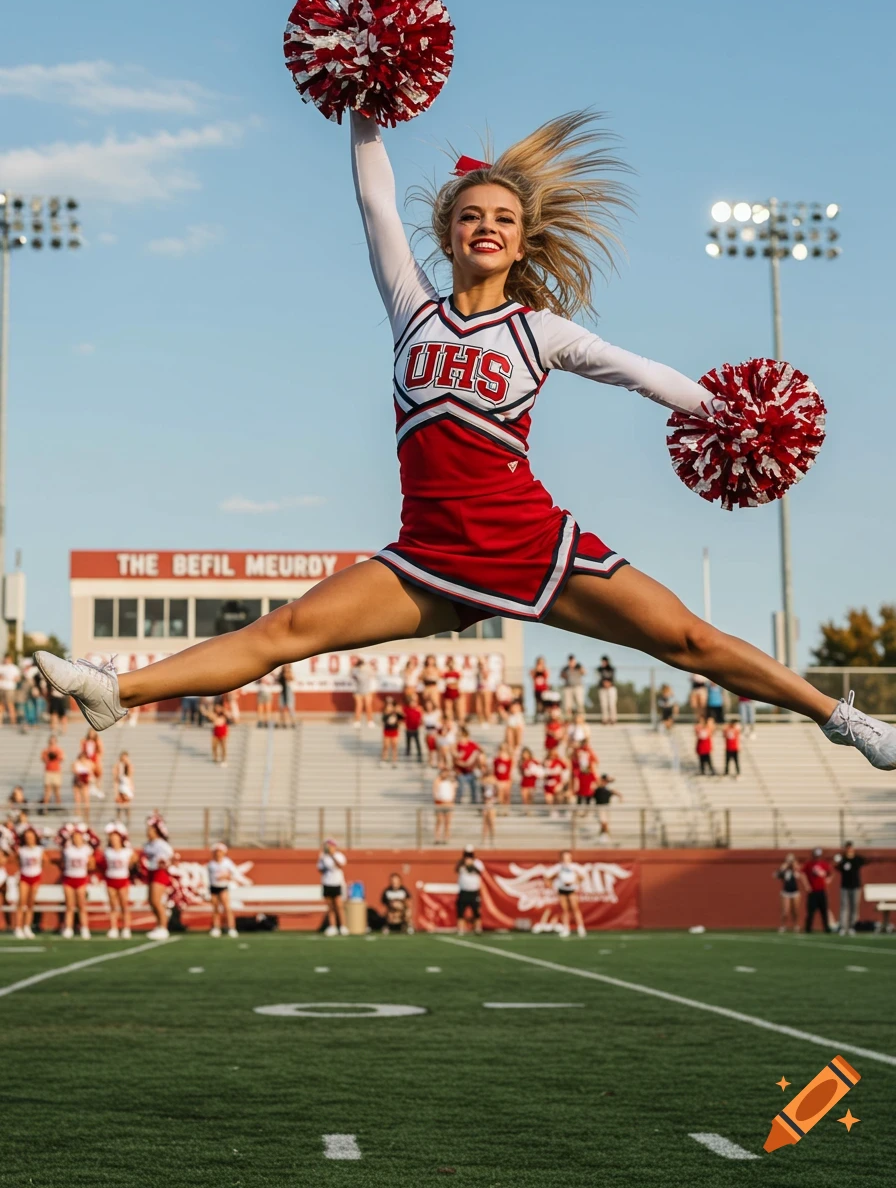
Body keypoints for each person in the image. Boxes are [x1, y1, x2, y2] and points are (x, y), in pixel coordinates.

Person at [33, 108, 896, 776]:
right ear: (449, 233)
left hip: (531, 544)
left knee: (692, 644)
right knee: (288, 629)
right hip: (430, 555)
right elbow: (374, 197)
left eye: (504, 220)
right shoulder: (412, 308)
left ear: (521, 243)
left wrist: (727, 413)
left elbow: (644, 375)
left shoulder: (541, 331)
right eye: (472, 215)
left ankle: (844, 720)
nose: (487, 226)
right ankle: (116, 688)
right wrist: (363, 96)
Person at [100, 823, 136, 939]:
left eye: (116, 838)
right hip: (111, 879)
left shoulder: (127, 851)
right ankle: (113, 928)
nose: (114, 840)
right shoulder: (107, 851)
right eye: (112, 838)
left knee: (124, 905)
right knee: (113, 906)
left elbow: (134, 860)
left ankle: (126, 928)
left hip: (122, 879)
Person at [142, 814, 174, 940]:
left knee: (156, 900)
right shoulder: (148, 844)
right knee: (151, 901)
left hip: (160, 872)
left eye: (150, 830)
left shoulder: (161, 844)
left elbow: (171, 856)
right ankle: (159, 924)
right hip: (151, 872)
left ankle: (163, 927)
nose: (148, 832)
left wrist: (165, 862)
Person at [60, 825, 95, 940]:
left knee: (81, 906)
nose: (76, 839)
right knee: (69, 906)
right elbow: (62, 863)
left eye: (78, 836)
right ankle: (68, 928)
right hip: (69, 878)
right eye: (74, 837)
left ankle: (84, 928)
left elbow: (92, 864)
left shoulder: (87, 849)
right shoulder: (67, 849)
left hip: (81, 879)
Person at [13, 826, 43, 939]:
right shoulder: (21, 850)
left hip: (35, 877)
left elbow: (44, 862)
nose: (29, 839)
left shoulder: (39, 850)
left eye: (31, 837)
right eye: (27, 837)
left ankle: (27, 927)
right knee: (21, 903)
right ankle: (18, 927)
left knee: (31, 903)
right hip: (24, 877)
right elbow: (16, 861)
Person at [548, 850, 587, 937]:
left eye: (568, 857)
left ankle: (581, 928)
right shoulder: (558, 867)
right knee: (565, 910)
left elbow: (583, 876)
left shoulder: (574, 867)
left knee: (575, 908)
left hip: (572, 889)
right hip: (562, 889)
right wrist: (553, 882)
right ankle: (566, 928)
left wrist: (576, 881)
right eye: (564, 857)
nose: (566, 859)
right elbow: (548, 876)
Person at [833, 841, 866, 936]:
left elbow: (864, 861)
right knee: (844, 907)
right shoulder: (843, 860)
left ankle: (852, 926)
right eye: (847, 848)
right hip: (845, 886)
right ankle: (843, 927)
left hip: (855, 886)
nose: (849, 850)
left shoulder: (857, 859)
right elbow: (836, 867)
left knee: (854, 907)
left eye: (850, 848)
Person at [207, 842, 239, 937]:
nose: (217, 853)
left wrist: (226, 876)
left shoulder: (227, 862)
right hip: (213, 887)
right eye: (216, 851)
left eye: (219, 851)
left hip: (223, 887)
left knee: (227, 908)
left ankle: (231, 928)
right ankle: (216, 928)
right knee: (215, 908)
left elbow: (234, 874)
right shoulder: (211, 864)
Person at [317, 838, 348, 936]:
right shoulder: (323, 856)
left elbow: (340, 865)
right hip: (327, 883)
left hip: (337, 883)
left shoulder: (339, 856)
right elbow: (320, 869)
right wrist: (322, 858)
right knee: (330, 907)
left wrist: (332, 856)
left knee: (339, 906)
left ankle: (342, 926)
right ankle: (332, 926)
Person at [800, 848, 832, 934]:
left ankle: (826, 927)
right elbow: (802, 874)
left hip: (822, 890)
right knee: (810, 911)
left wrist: (828, 881)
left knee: (824, 910)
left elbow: (830, 874)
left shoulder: (824, 864)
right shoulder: (809, 864)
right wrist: (806, 885)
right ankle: (808, 928)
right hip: (812, 891)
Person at [455, 845, 485, 935]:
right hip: (464, 891)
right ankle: (461, 929)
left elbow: (480, 872)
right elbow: (456, 869)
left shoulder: (478, 863)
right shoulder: (461, 863)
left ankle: (478, 928)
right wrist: (464, 863)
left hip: (474, 891)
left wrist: (471, 865)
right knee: (460, 911)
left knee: (476, 911)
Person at [454, 727, 485, 805]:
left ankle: (475, 803)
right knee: (460, 789)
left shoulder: (473, 745)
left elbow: (481, 753)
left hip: (472, 771)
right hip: (461, 772)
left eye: (461, 736)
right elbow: (455, 760)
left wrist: (478, 764)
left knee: (475, 788)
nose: (460, 739)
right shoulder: (457, 746)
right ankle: (458, 802)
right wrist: (464, 764)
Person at [775, 853, 801, 933]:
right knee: (785, 911)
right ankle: (783, 926)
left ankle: (796, 925)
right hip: (786, 891)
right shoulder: (784, 868)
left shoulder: (796, 868)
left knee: (795, 910)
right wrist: (783, 868)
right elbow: (777, 876)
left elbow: (799, 875)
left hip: (795, 891)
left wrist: (794, 866)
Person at [593, 773, 622, 842]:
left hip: (606, 806)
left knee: (605, 822)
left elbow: (613, 781)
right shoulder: (598, 788)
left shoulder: (606, 789)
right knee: (603, 822)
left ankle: (604, 835)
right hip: (600, 807)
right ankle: (605, 835)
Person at [432, 766, 457, 845]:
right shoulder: (438, 781)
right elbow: (435, 792)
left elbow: (453, 791)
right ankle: (437, 837)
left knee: (447, 822)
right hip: (440, 803)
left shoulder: (450, 782)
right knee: (439, 821)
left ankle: (446, 837)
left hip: (448, 803)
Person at [350, 657, 375, 728]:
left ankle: (370, 721)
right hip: (358, 691)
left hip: (366, 690)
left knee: (368, 706)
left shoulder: (367, 669)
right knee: (359, 706)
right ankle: (357, 721)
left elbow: (372, 674)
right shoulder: (355, 670)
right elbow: (356, 676)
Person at [41, 735, 65, 811]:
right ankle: (45, 808)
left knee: (57, 790)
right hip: (48, 771)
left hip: (56, 771)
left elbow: (61, 759)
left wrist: (55, 756)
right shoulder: (46, 750)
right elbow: (43, 760)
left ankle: (58, 806)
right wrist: (48, 756)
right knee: (47, 790)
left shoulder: (58, 750)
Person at [543, 747, 569, 813]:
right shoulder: (545, 762)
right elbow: (542, 772)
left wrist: (562, 782)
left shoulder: (558, 761)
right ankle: (552, 811)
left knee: (558, 797)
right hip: (548, 783)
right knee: (549, 799)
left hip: (557, 782)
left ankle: (559, 811)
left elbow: (565, 770)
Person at [381, 695, 403, 767]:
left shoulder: (396, 713)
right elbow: (384, 721)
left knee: (394, 746)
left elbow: (402, 717)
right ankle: (384, 759)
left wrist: (397, 710)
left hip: (394, 731)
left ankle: (394, 760)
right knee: (386, 746)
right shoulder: (385, 714)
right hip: (387, 731)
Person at [71, 750, 94, 818]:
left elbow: (91, 773)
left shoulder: (89, 763)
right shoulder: (76, 763)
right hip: (77, 782)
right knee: (77, 800)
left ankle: (86, 815)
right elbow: (74, 771)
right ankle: (78, 814)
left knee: (86, 799)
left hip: (85, 783)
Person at [0, 655, 21, 726]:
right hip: (1, 688)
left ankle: (13, 721)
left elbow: (18, 679)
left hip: (9, 688)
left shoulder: (14, 668)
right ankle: (0, 722)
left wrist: (13, 678)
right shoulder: (1, 667)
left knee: (10, 704)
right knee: (1, 705)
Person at [597, 655, 618, 725]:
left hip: (611, 688)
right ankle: (604, 719)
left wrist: (608, 683)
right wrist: (604, 683)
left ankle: (613, 719)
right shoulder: (599, 669)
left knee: (612, 704)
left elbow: (613, 678)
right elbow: (598, 678)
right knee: (604, 705)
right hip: (602, 688)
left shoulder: (611, 669)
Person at [493, 743, 514, 810]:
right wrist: (496, 780)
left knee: (506, 796)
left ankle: (506, 809)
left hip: (506, 780)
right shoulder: (496, 760)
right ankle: (501, 809)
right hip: (499, 780)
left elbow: (510, 771)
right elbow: (494, 770)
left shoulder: (509, 760)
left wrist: (509, 781)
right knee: (500, 796)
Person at [403, 691, 423, 762]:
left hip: (415, 729)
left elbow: (421, 719)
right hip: (408, 729)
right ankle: (408, 752)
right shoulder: (406, 709)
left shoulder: (418, 710)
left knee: (417, 741)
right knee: (408, 742)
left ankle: (419, 753)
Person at [480, 769, 498, 846]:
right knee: (485, 822)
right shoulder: (484, 779)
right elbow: (482, 785)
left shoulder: (493, 779)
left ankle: (492, 838)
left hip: (492, 802)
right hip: (485, 802)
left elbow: (496, 787)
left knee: (491, 821)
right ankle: (484, 838)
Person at [442, 655, 462, 722]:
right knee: (448, 707)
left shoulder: (456, 673)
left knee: (457, 707)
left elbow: (458, 683)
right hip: (448, 692)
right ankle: (449, 720)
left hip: (455, 692)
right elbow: (445, 683)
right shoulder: (445, 673)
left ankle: (458, 720)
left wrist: (452, 685)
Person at [519, 747, 540, 812]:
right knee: (524, 797)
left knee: (530, 797)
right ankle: (526, 810)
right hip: (524, 781)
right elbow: (521, 772)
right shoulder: (521, 762)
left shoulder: (534, 761)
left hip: (531, 782)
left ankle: (530, 810)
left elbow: (538, 770)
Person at [423, 697, 441, 767]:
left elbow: (439, 723)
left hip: (436, 733)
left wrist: (436, 733)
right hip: (428, 733)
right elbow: (424, 725)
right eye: (427, 705)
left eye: (429, 705)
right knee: (430, 749)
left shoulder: (437, 713)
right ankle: (430, 761)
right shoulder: (424, 714)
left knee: (437, 749)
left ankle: (438, 762)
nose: (428, 706)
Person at [277, 663, 295, 728]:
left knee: (290, 707)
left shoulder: (290, 673)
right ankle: (283, 722)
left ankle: (293, 722)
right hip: (283, 691)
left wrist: (287, 672)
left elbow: (291, 679)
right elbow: (278, 680)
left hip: (288, 691)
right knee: (282, 707)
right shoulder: (281, 674)